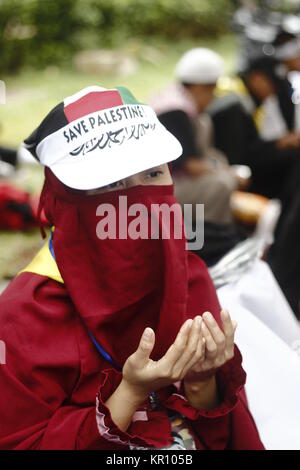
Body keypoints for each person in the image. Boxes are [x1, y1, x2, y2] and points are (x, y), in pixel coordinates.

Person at [0, 86, 263, 450]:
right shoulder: (23, 315)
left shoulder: (189, 276)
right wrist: (130, 393)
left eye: (153, 174)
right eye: (111, 184)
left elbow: (228, 436)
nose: (138, 203)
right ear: (65, 201)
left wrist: (203, 382)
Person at [149, 48, 240, 226]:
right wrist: (231, 174)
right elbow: (191, 166)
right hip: (160, 190)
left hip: (173, 180)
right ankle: (211, 238)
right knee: (221, 184)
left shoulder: (178, 99)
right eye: (211, 91)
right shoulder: (173, 110)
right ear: (199, 87)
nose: (212, 98)